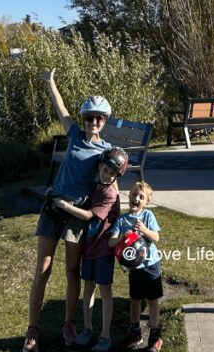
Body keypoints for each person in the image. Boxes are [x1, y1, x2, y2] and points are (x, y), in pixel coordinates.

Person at [22, 73, 113, 352]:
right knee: (43, 270)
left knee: (72, 271)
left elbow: (113, 183)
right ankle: (33, 330)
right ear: (83, 119)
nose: (93, 122)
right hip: (54, 207)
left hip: (76, 214)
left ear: (105, 121)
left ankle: (68, 322)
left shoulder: (106, 151)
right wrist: (50, 83)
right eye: (89, 117)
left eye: (99, 118)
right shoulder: (74, 134)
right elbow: (60, 108)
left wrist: (119, 217)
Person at [55, 146, 128, 352]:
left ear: (116, 176)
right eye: (104, 169)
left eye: (111, 173)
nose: (106, 175)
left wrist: (64, 205)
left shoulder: (110, 194)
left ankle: (105, 335)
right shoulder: (96, 185)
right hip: (89, 247)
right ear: (100, 167)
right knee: (88, 287)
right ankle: (87, 328)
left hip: (104, 249)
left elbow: (88, 216)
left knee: (104, 290)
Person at [109, 180, 164, 352]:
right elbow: (111, 242)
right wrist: (119, 238)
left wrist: (144, 230)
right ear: (129, 196)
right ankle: (135, 333)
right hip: (134, 269)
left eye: (142, 197)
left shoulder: (148, 216)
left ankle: (155, 336)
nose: (137, 199)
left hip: (151, 265)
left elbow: (156, 238)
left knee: (153, 300)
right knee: (135, 301)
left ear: (147, 201)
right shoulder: (122, 220)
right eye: (134, 194)